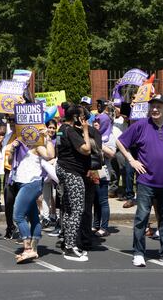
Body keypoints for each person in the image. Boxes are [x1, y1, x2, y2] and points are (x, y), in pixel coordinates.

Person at [116, 94, 163, 267]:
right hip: (145, 181)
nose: (155, 109)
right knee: (142, 217)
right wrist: (131, 160)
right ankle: (138, 252)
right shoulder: (141, 125)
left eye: (159, 106)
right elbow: (120, 142)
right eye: (153, 106)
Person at [56, 105, 101, 261]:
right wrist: (86, 131)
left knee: (68, 209)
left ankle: (68, 242)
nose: (85, 119)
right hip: (72, 172)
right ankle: (70, 247)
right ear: (75, 117)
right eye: (83, 116)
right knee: (76, 210)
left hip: (63, 168)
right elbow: (86, 149)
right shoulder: (70, 131)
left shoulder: (61, 128)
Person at [8, 128, 56, 263]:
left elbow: (50, 155)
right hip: (21, 182)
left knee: (17, 216)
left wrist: (47, 138)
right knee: (33, 216)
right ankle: (34, 250)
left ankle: (27, 249)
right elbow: (11, 161)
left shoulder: (37, 145)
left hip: (32, 183)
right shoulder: (19, 143)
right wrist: (12, 149)